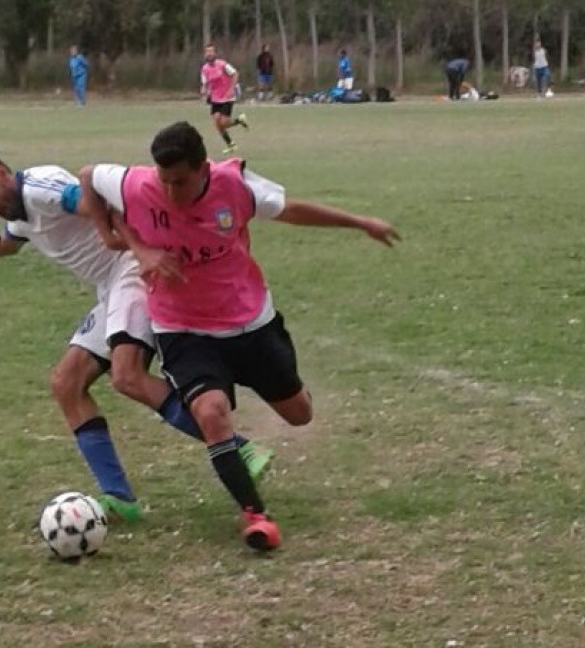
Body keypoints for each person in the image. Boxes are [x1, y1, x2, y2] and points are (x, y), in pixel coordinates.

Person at [0, 145, 272, 522]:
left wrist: (139, 248)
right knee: (66, 383)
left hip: (132, 273)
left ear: (2, 173)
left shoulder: (40, 187)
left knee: (128, 376)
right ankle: (119, 500)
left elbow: (100, 203)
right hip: (111, 288)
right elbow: (1, 245)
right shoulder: (19, 213)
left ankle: (238, 450)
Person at [79, 122, 400, 551]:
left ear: (203, 168)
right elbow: (87, 176)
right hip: (182, 328)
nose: (171, 192)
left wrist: (360, 222)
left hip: (250, 322)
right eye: (165, 181)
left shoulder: (236, 186)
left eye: (181, 182)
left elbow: (292, 210)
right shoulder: (137, 184)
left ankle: (267, 392)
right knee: (211, 414)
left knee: (299, 413)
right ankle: (255, 515)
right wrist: (129, 243)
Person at [200, 43, 249, 155]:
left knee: (224, 122)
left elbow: (235, 73)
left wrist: (231, 88)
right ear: (205, 54)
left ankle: (240, 121)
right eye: (207, 52)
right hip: (215, 98)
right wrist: (203, 89)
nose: (209, 53)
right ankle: (230, 144)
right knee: (217, 123)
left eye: (211, 51)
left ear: (215, 53)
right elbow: (204, 82)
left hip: (227, 97)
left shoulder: (222, 65)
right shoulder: (205, 69)